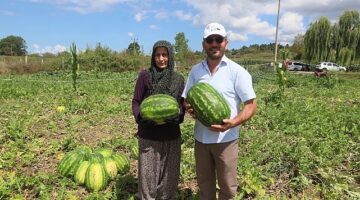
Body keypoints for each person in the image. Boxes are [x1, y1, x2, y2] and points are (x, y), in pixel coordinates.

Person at [182, 22, 257, 199]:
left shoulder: (237, 71)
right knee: (204, 184)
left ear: (226, 43)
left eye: (219, 39)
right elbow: (187, 98)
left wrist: (233, 123)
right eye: (210, 40)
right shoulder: (195, 71)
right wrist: (189, 108)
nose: (214, 43)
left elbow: (251, 105)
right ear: (204, 44)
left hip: (227, 140)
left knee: (227, 187)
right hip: (201, 139)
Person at [132, 40, 185, 199]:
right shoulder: (145, 76)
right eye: (158, 55)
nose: (161, 59)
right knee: (148, 181)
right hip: (149, 135)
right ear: (153, 57)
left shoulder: (178, 79)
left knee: (169, 181)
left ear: (170, 56)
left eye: (165, 55)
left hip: (171, 136)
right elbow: (136, 102)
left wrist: (178, 117)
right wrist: (140, 118)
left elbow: (182, 105)